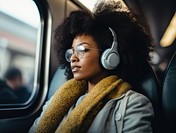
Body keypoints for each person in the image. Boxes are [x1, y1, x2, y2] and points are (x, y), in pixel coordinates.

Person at [29, 1, 154, 132]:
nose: (73, 58)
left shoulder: (133, 104)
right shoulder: (58, 99)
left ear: (110, 56)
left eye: (82, 49)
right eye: (71, 52)